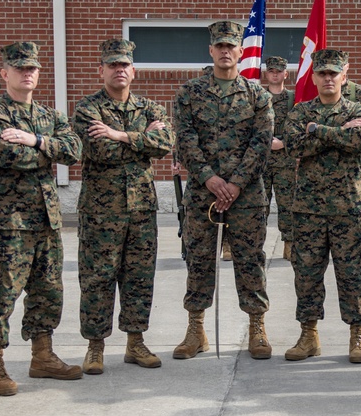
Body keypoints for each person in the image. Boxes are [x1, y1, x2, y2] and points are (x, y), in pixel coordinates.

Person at [0, 42, 83, 396]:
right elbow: (8, 157)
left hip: (47, 220)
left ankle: (42, 356)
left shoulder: (49, 116)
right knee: (2, 295)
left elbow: (74, 151)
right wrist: (45, 148)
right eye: (20, 68)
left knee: (48, 292)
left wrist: (34, 140)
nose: (27, 74)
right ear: (5, 73)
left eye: (32, 68)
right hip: (9, 223)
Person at [72, 38, 175, 375]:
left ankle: (135, 343)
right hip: (101, 213)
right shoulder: (88, 109)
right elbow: (98, 151)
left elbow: (164, 144)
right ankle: (95, 347)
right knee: (98, 279)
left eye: (124, 65)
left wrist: (119, 136)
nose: (119, 70)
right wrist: (141, 139)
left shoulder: (151, 108)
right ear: (101, 70)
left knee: (139, 278)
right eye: (112, 65)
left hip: (141, 210)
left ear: (134, 71)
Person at [173, 21, 273, 360]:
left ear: (240, 52)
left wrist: (234, 184)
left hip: (246, 194)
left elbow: (261, 144)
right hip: (203, 193)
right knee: (199, 260)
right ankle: (195, 328)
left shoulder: (257, 95)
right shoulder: (189, 93)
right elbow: (185, 141)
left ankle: (257, 327)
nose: (226, 51)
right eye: (220, 46)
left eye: (232, 46)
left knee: (250, 261)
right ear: (211, 51)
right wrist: (209, 179)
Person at [283, 49, 361, 363]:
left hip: (348, 208)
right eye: (323, 73)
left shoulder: (358, 108)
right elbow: (293, 146)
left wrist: (316, 131)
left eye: (334, 73)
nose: (328, 78)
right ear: (314, 77)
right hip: (308, 208)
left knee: (352, 275)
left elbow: (357, 142)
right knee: (306, 275)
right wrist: (336, 133)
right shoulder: (299, 111)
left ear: (343, 75)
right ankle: (309, 336)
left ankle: (357, 337)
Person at [262, 56, 297, 261]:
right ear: (266, 74)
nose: (275, 74)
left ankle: (289, 244)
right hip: (261, 162)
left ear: (286, 74)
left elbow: (299, 128)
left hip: (285, 161)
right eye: (271, 71)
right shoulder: (258, 98)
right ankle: (256, 246)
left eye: (279, 71)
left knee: (287, 205)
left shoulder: (293, 99)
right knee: (260, 205)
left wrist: (284, 143)